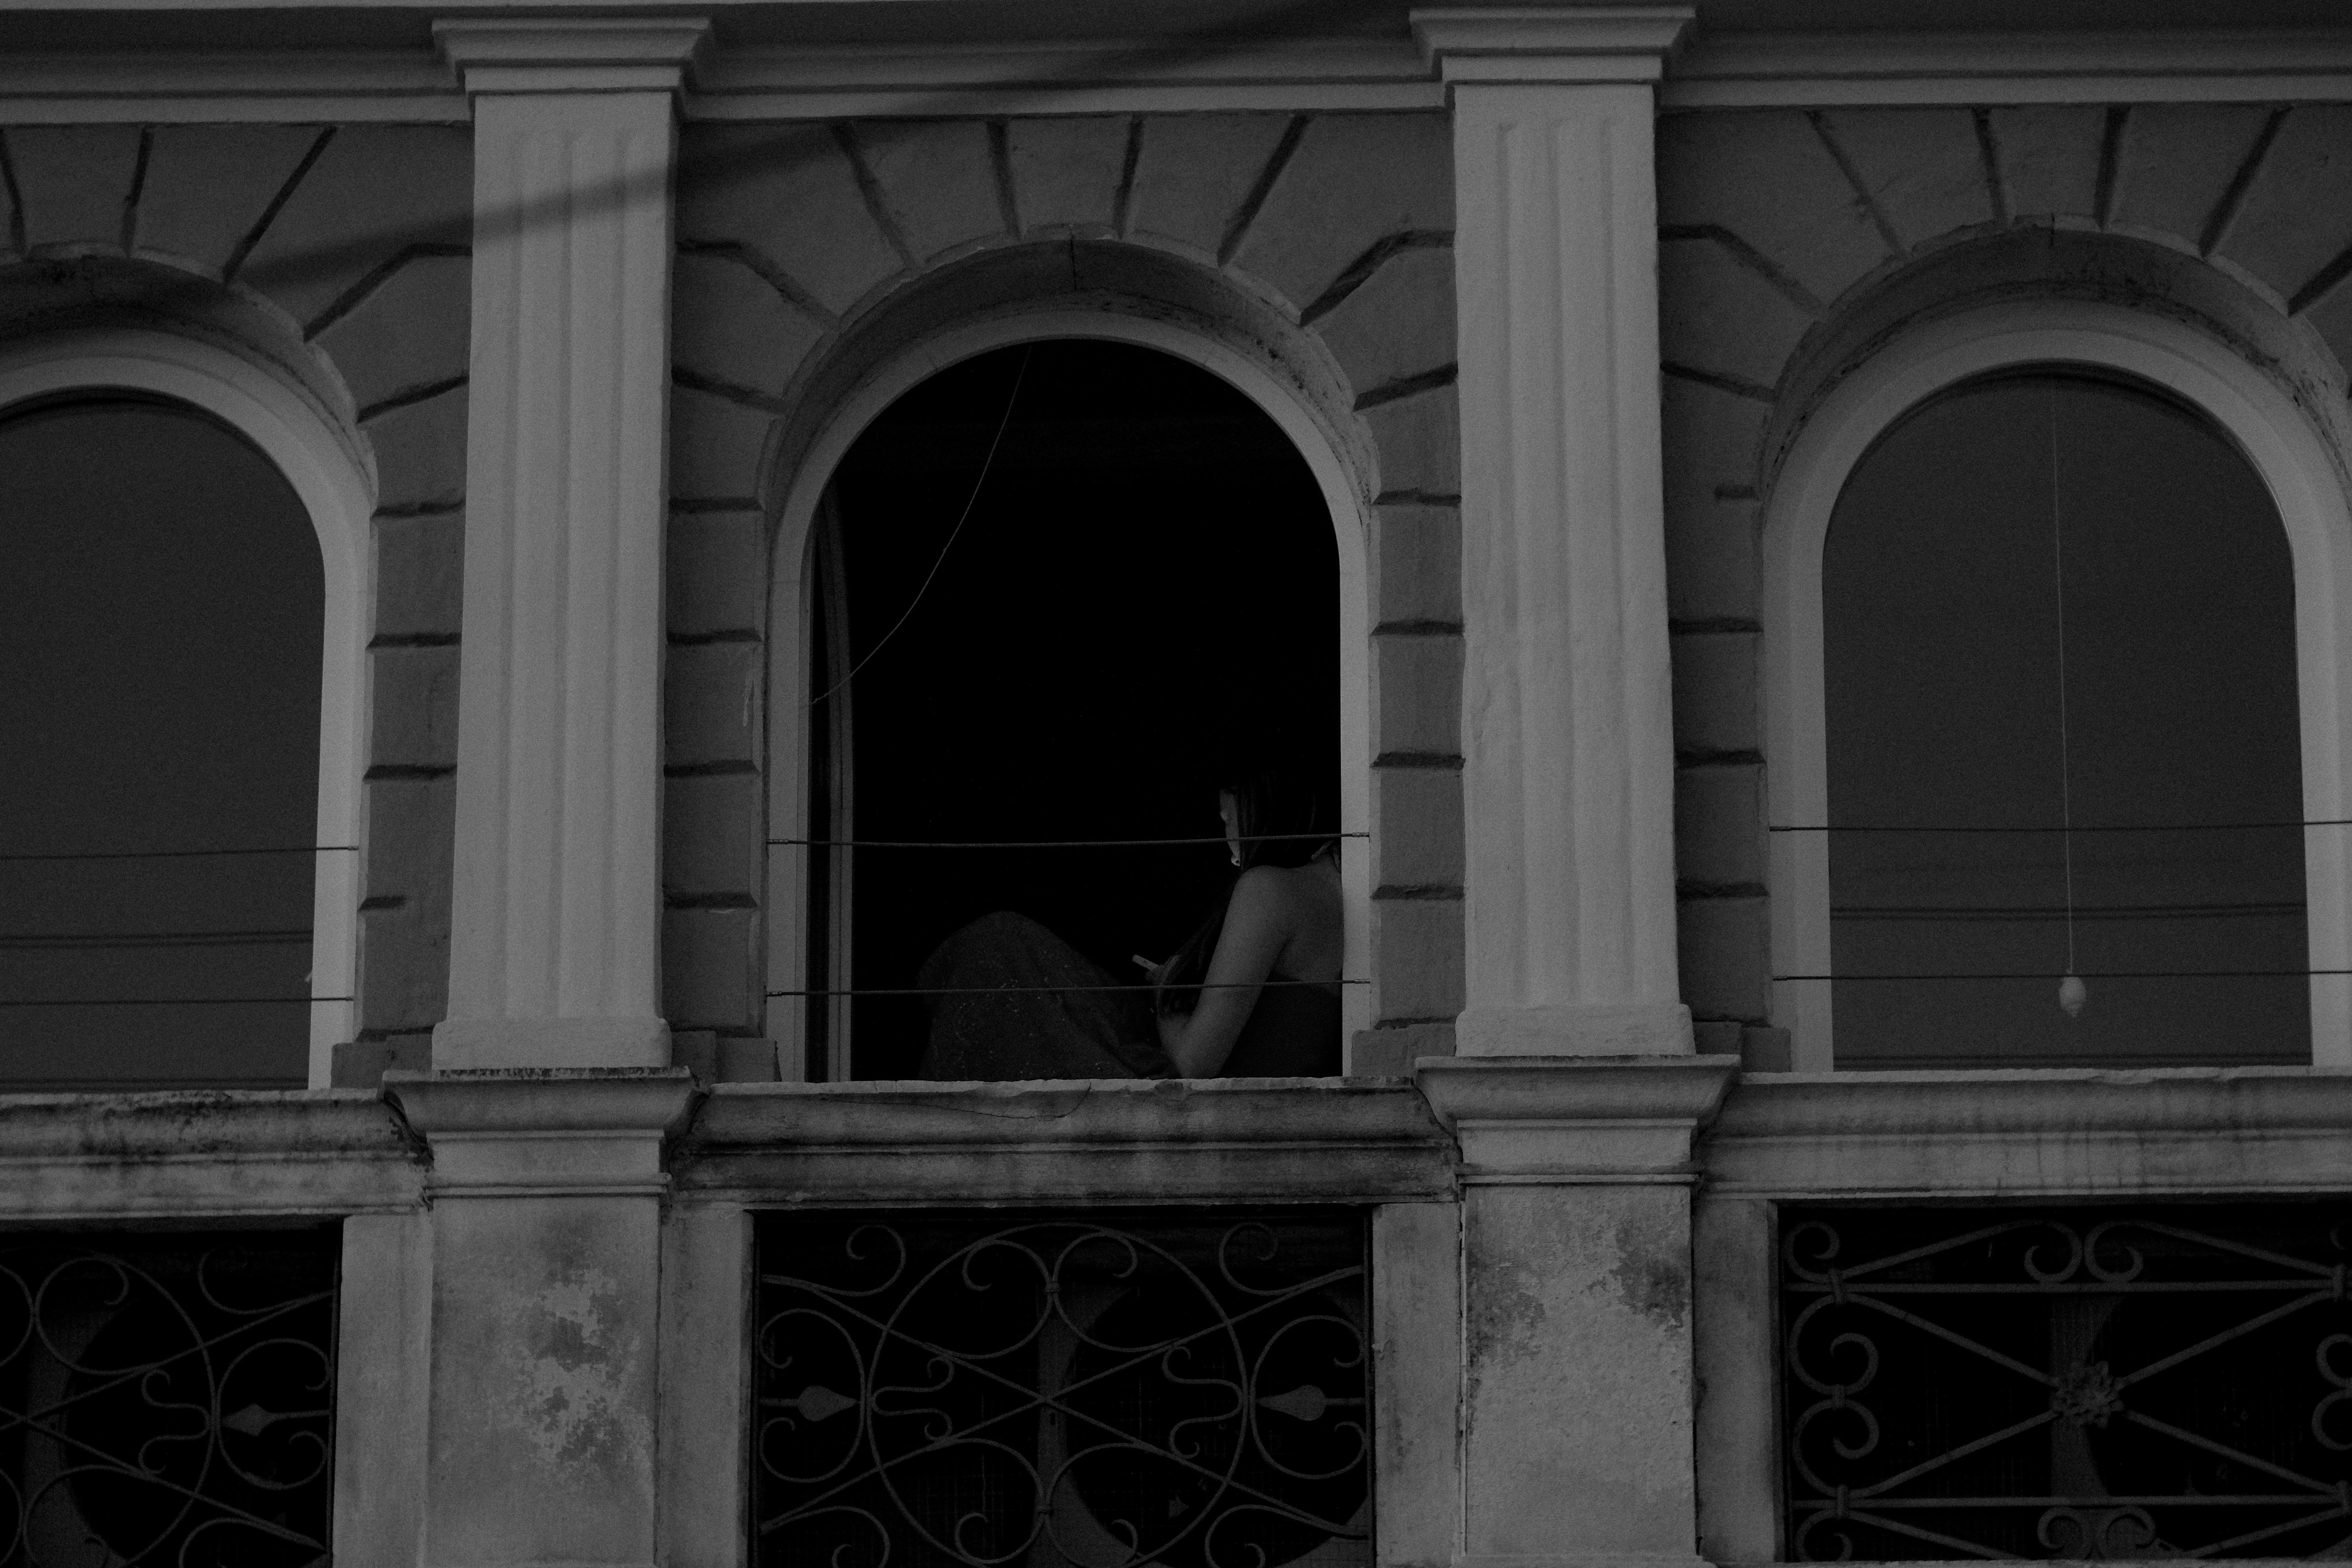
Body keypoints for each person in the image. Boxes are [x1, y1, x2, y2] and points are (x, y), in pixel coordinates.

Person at [913, 767, 1343, 1080]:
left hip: (1195, 1103)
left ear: (1255, 800)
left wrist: (1166, 995)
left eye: (1225, 816)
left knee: (999, 946)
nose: (1225, 832)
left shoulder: (1269, 888)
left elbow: (1192, 1066)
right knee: (1010, 947)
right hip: (1249, 1101)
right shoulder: (1330, 885)